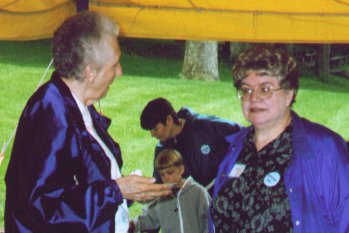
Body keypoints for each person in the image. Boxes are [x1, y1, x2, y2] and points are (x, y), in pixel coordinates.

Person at [4, 11, 171, 233]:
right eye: (115, 65)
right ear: (90, 72)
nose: (119, 72)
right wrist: (117, 191)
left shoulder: (79, 107)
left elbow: (87, 184)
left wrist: (129, 192)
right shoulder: (49, 112)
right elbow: (41, 209)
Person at [209, 45, 349, 233]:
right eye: (246, 90)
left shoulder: (322, 148)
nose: (254, 98)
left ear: (289, 95)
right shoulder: (236, 146)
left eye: (265, 89)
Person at [140, 97, 242, 195]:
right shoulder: (162, 150)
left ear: (169, 120)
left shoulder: (206, 126)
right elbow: (160, 185)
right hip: (192, 205)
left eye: (155, 129)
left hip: (227, 193)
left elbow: (245, 135)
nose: (152, 134)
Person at [128, 149, 210, 233]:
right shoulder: (162, 198)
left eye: (170, 172)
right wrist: (129, 225)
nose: (166, 178)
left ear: (181, 169)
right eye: (162, 175)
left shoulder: (198, 193)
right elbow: (147, 219)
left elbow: (210, 222)